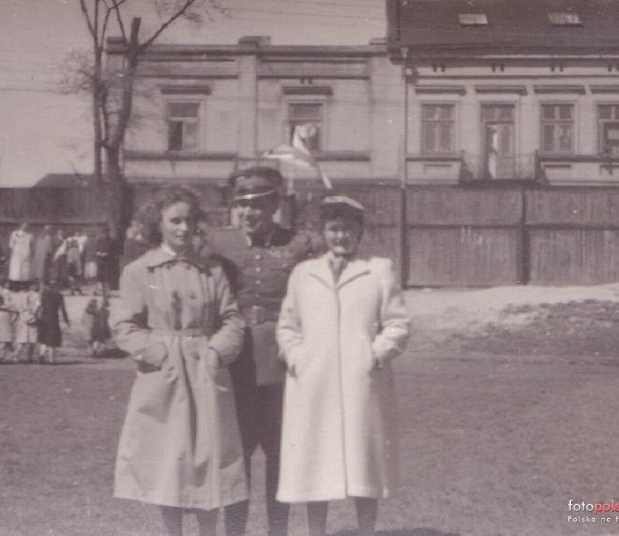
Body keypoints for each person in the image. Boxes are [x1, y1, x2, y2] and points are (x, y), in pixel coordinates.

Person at [110, 186, 247, 536]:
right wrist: (157, 354)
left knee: (209, 460)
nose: (183, 229)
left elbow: (232, 319)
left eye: (189, 220)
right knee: (167, 461)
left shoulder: (211, 270)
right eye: (175, 221)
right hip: (164, 378)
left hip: (206, 372)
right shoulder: (140, 271)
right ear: (159, 224)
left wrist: (216, 352)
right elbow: (124, 324)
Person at [275, 196, 410, 536]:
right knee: (313, 460)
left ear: (360, 232)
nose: (341, 237)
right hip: (313, 382)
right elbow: (287, 325)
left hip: (360, 382)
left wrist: (375, 354)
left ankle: (366, 530)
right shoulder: (304, 273)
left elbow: (398, 324)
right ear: (323, 232)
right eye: (334, 229)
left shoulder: (378, 269)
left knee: (363, 461)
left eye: (348, 230)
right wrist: (297, 357)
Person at [206, 166, 317, 536]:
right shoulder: (220, 245)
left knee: (279, 453)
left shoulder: (300, 245)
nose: (248, 213)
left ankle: (277, 532)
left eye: (256, 204)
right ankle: (234, 531)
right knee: (237, 455)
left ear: (274, 205)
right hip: (236, 361)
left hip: (282, 364)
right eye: (242, 205)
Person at [37, 278, 69, 363]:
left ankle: (41, 355)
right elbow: (63, 309)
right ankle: (51, 360)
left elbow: (39, 306)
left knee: (43, 338)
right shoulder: (59, 295)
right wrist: (66, 320)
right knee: (52, 340)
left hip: (43, 318)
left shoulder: (44, 294)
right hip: (53, 318)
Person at [13, 280, 41, 362]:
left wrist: (22, 311)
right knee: (32, 338)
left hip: (22, 316)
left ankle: (16, 356)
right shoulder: (35, 295)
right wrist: (33, 313)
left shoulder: (20, 295)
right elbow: (37, 305)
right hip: (31, 315)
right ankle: (30, 357)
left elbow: (17, 307)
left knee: (22, 338)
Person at [81, 284, 110, 357]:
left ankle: (93, 350)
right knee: (99, 338)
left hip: (92, 322)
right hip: (99, 322)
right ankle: (96, 350)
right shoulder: (103, 309)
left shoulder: (91, 308)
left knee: (92, 338)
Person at [8, 222, 34, 291]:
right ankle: (15, 287)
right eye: (24, 224)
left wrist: (29, 253)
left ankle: (25, 287)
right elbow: (11, 245)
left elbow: (31, 246)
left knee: (25, 272)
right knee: (16, 271)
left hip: (26, 255)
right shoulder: (15, 233)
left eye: (27, 225)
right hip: (17, 256)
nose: (26, 226)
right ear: (21, 225)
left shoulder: (30, 235)